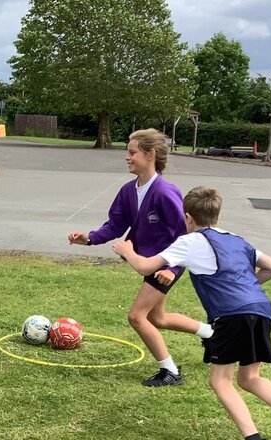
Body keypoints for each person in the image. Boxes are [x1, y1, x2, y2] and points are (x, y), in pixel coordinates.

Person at [113, 186, 271, 440]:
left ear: (187, 217)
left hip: (230, 315)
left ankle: (253, 437)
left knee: (221, 381)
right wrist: (246, 287)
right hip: (262, 310)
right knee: (249, 377)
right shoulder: (236, 238)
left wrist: (128, 251)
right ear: (216, 215)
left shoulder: (189, 241)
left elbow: (145, 267)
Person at [68, 128, 213, 387]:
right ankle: (211, 333)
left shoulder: (166, 193)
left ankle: (170, 371)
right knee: (157, 318)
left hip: (165, 268)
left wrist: (173, 268)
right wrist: (89, 238)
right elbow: (114, 225)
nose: (127, 157)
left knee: (137, 316)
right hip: (148, 265)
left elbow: (186, 236)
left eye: (132, 152)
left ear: (150, 154)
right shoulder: (127, 191)